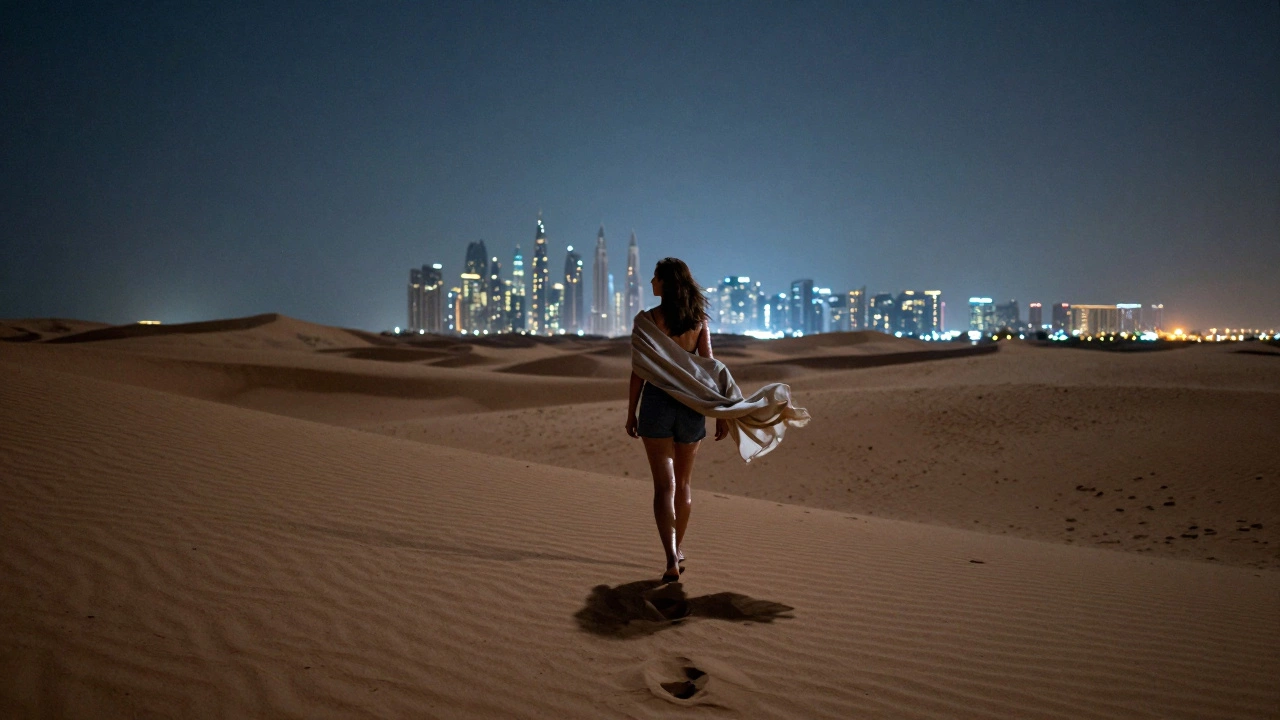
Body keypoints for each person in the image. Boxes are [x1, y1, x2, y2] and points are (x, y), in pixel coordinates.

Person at [625, 257, 727, 583]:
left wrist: (631, 412)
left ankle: (670, 555)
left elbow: (638, 372)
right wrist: (719, 412)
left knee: (663, 486)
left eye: (655, 278)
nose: (651, 283)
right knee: (683, 485)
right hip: (691, 406)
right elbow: (708, 368)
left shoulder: (646, 321)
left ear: (665, 283)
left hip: (656, 404)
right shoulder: (698, 321)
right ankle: (678, 548)